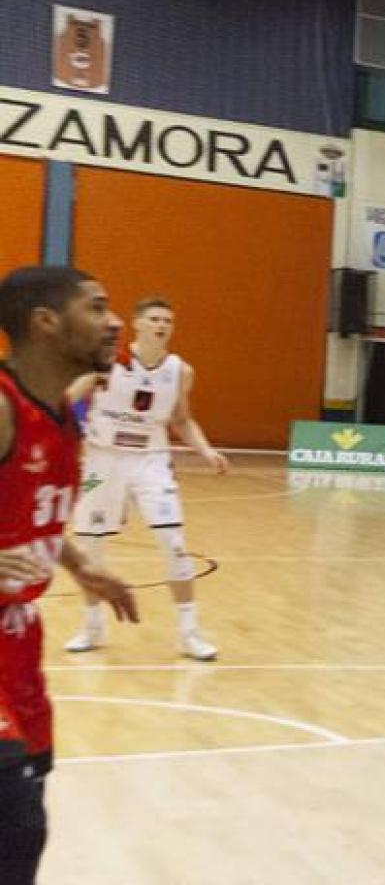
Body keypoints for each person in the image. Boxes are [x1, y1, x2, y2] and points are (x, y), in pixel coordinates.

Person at [0, 266, 138, 881]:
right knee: (16, 822)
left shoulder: (60, 414)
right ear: (46, 321)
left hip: (18, 644)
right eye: (97, 307)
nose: (115, 322)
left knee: (23, 832)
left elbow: (31, 513)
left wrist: (82, 567)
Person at [65, 298, 227, 662]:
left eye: (168, 320)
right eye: (154, 318)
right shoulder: (108, 361)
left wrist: (206, 451)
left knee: (173, 541)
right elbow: (67, 398)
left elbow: (182, 420)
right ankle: (92, 625)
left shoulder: (180, 371)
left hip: (150, 460)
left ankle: (189, 634)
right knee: (90, 547)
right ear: (137, 324)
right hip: (102, 459)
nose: (161, 324)